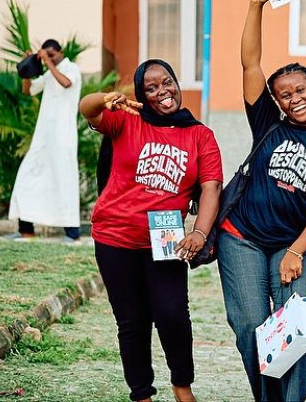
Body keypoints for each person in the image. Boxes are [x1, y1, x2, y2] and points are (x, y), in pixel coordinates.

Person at [217, 0, 306, 402]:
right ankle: (268, 398)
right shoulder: (268, 124)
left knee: (293, 329)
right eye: (285, 94)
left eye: (301, 90)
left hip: (292, 243)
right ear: (276, 100)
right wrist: (255, 6)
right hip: (241, 238)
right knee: (250, 326)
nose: (294, 98)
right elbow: (250, 62)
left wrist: (296, 252)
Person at [79, 59, 223, 402]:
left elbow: (211, 187)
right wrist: (103, 98)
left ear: (177, 83)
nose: (163, 92)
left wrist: (200, 233)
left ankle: (182, 387)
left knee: (172, 313)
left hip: (166, 233)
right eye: (152, 88)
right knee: (131, 321)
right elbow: (86, 110)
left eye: (167, 82)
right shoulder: (126, 121)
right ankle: (141, 394)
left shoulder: (199, 134)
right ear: (142, 95)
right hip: (115, 235)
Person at [9, 39, 82, 241]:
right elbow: (28, 90)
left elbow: (66, 83)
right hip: (43, 138)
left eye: (52, 54)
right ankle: (26, 230)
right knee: (26, 177)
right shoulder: (50, 73)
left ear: (61, 52)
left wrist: (47, 62)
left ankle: (72, 233)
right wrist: (27, 68)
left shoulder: (71, 69)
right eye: (46, 54)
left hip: (63, 138)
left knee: (64, 181)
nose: (48, 58)